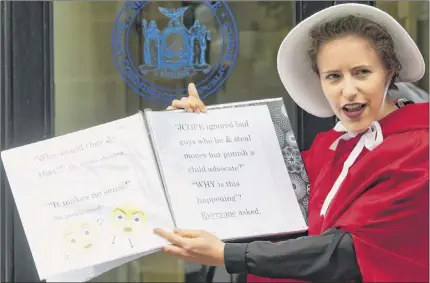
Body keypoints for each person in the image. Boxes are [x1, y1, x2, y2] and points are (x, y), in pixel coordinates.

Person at [154, 3, 429, 282]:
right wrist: (195, 133)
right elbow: (258, 195)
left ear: (389, 71)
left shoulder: (419, 150)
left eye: (362, 72)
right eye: (333, 76)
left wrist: (229, 255)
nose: (348, 90)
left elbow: (345, 253)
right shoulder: (329, 147)